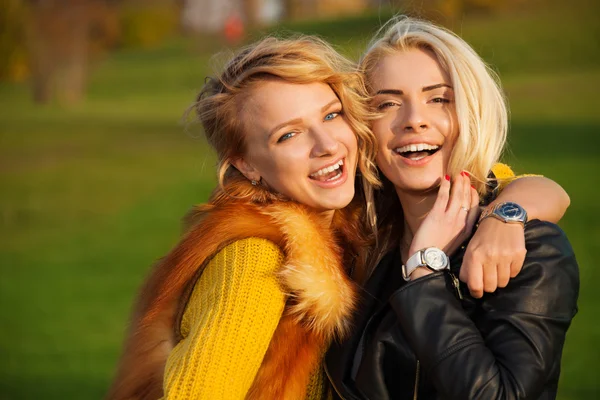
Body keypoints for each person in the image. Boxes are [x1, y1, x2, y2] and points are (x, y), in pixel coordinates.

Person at [106, 34, 569, 400]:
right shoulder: (260, 259)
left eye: (330, 116)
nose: (326, 146)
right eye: (288, 135)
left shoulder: (364, 221)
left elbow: (513, 182)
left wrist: (508, 214)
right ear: (245, 165)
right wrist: (427, 268)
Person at [325, 17, 579, 399]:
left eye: (439, 98)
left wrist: (425, 274)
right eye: (388, 103)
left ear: (471, 114)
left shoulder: (528, 249)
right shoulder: (361, 242)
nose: (414, 121)